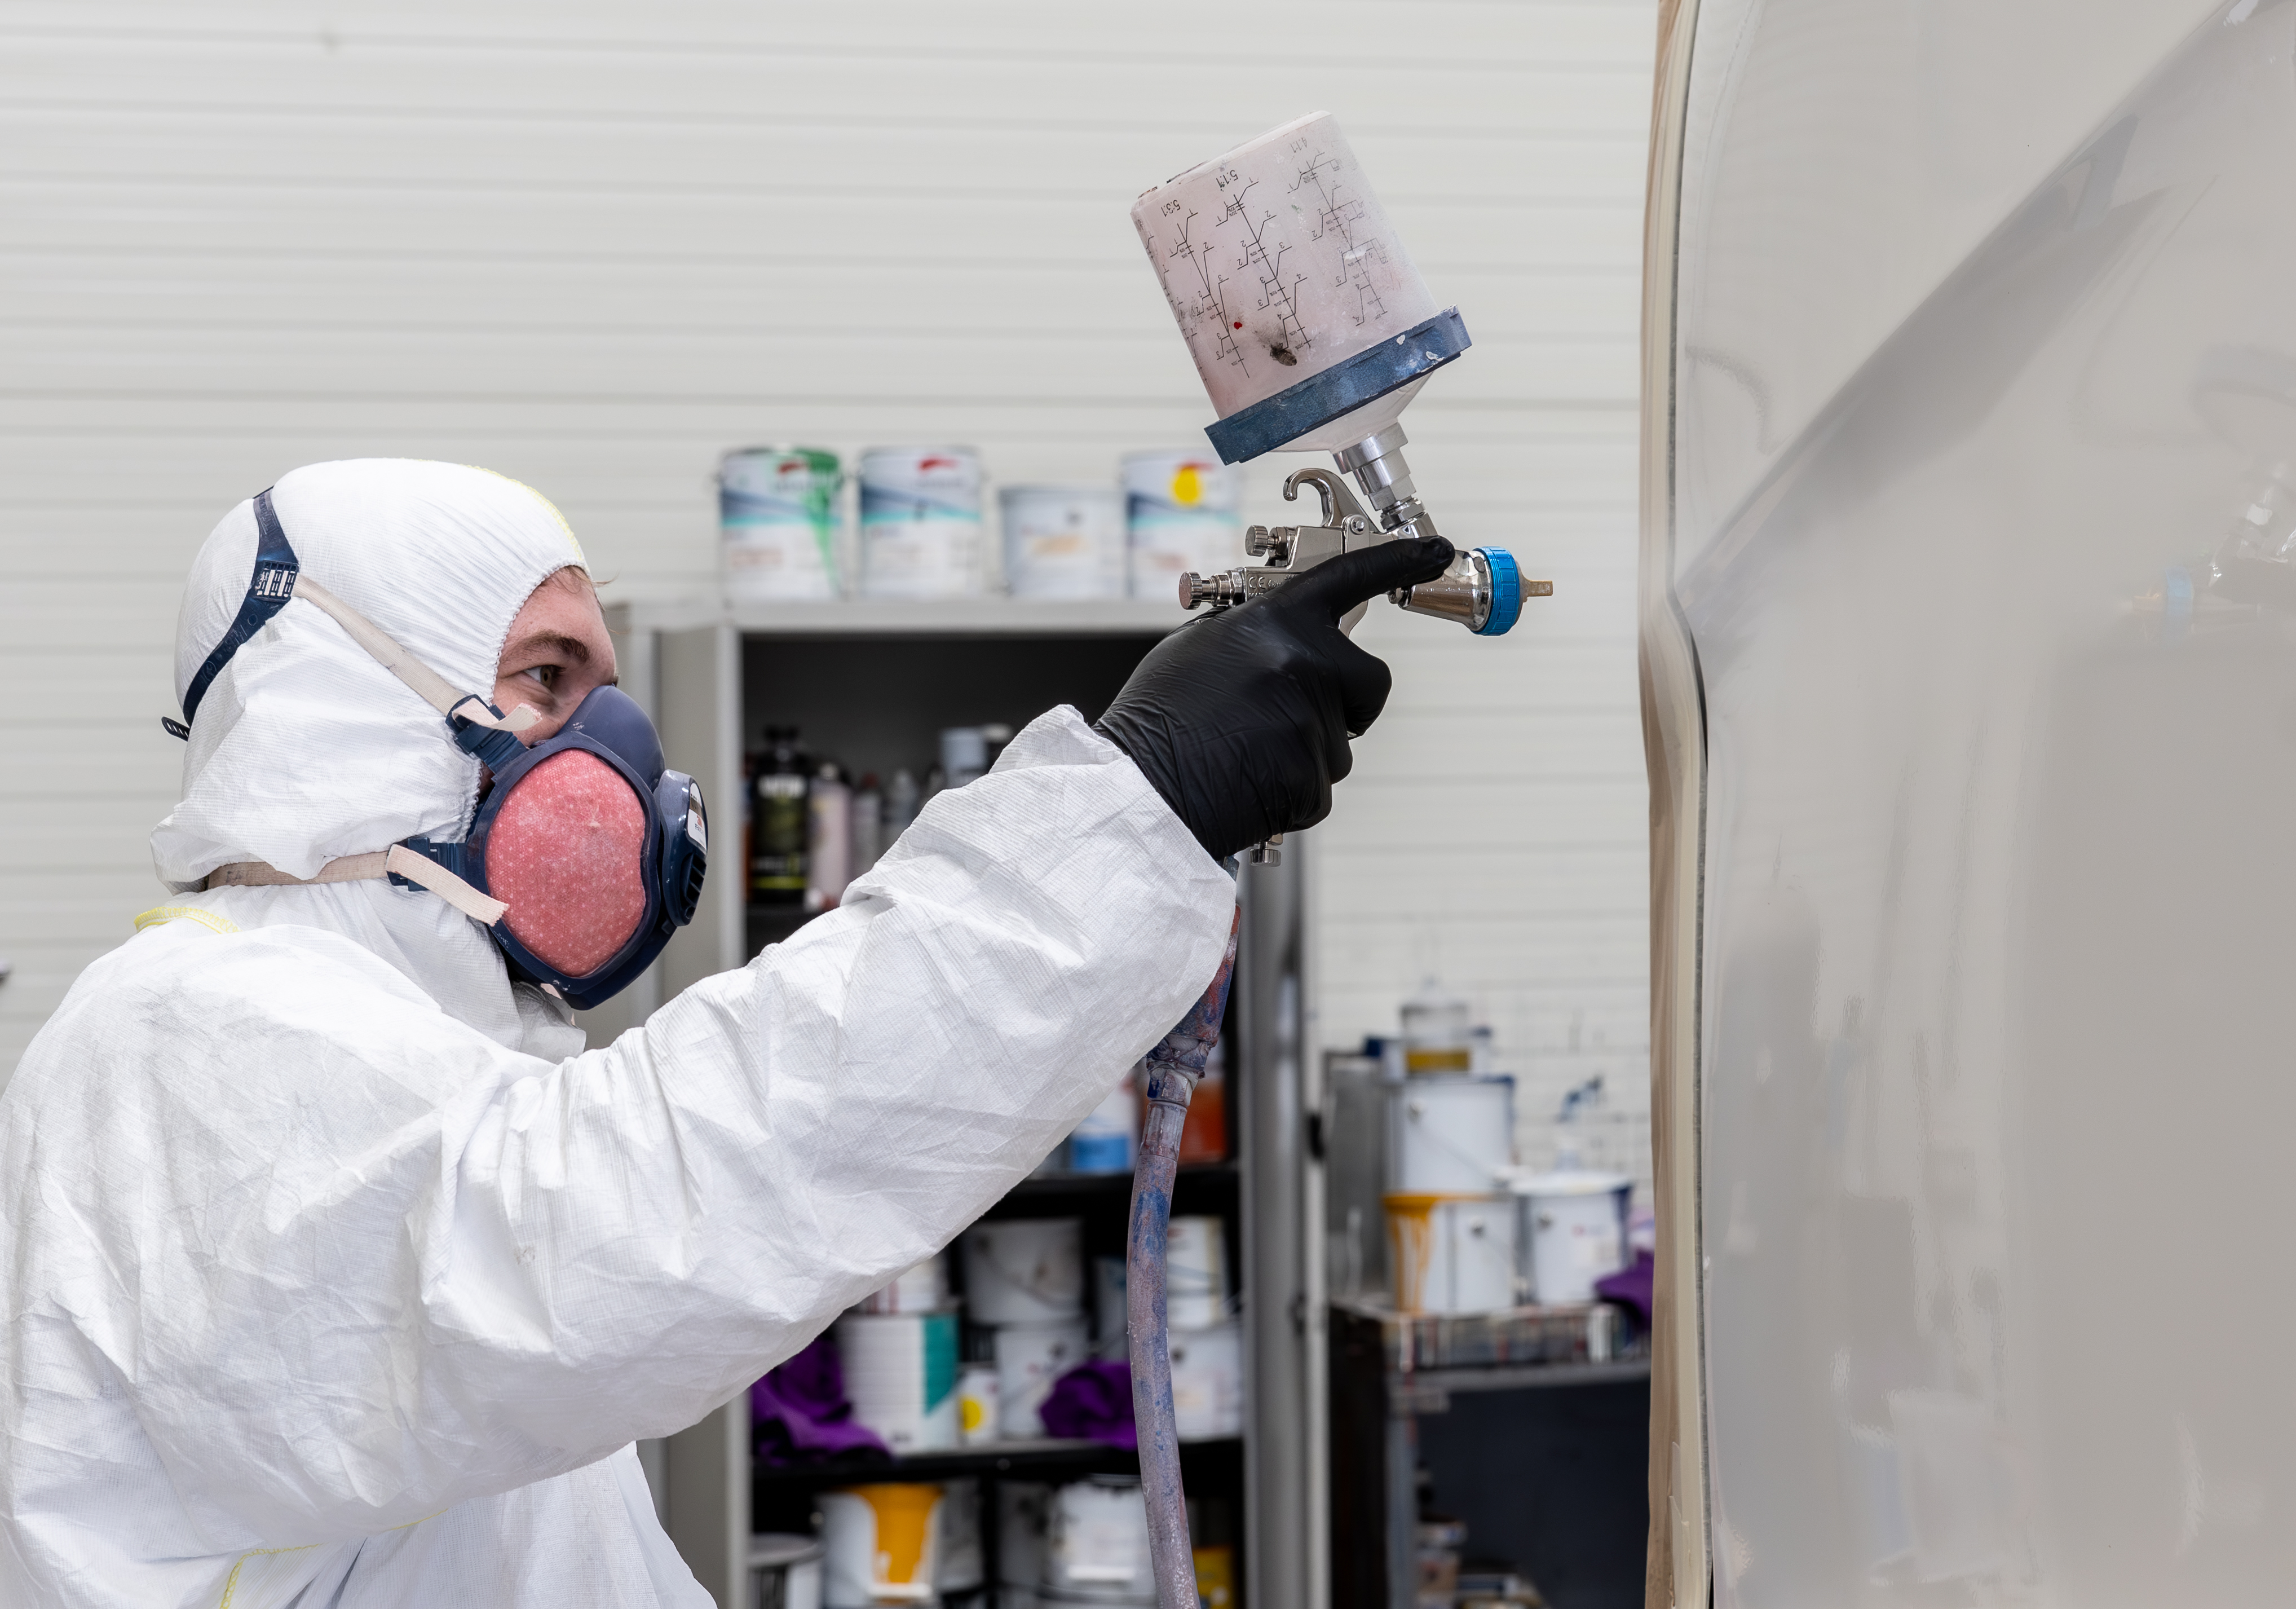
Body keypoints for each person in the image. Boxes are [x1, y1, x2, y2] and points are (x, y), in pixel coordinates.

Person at [0, 459, 1449, 1606]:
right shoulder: (187, 1042)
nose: (615, 755)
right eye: (547, 678)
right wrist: (1130, 808)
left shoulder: (408, 1044)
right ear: (338, 707)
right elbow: (630, 1215)